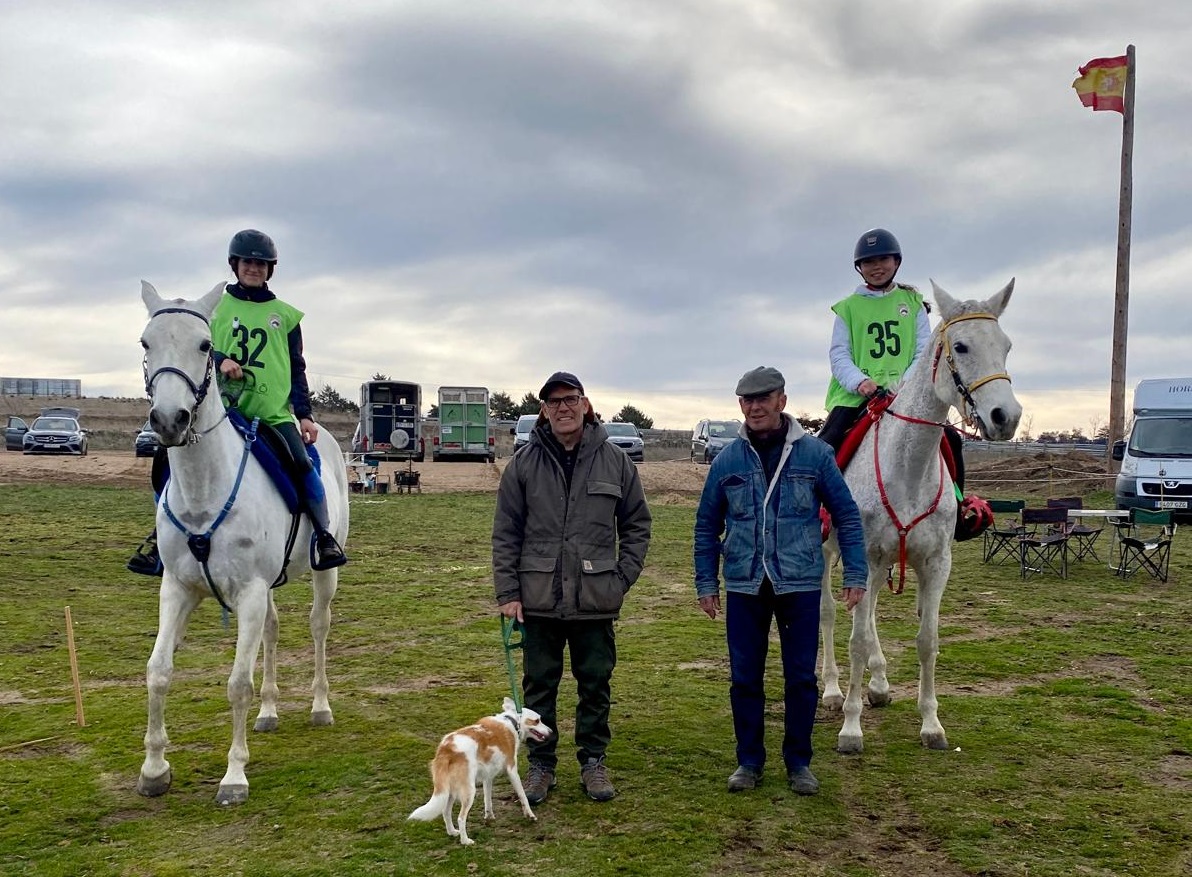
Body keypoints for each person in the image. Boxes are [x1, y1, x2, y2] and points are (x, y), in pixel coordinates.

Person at [126, 229, 347, 575]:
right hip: (222, 412)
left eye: (261, 264)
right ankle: (158, 539)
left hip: (272, 414)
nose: (254, 269)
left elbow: (296, 366)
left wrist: (304, 414)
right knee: (164, 464)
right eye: (248, 262)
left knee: (303, 465)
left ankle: (322, 536)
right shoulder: (214, 308)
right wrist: (221, 358)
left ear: (269, 269)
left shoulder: (285, 316)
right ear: (235, 265)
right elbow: (191, 349)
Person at [693, 366, 867, 795]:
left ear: (782, 402)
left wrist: (856, 572)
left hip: (801, 583)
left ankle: (798, 762)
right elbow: (705, 525)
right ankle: (749, 761)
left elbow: (846, 515)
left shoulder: (815, 455)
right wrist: (706, 583)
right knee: (745, 677)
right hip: (745, 583)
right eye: (748, 400)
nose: (755, 407)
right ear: (741, 406)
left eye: (764, 398)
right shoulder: (727, 460)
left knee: (800, 679)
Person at [492, 371, 652, 803]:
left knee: (595, 683)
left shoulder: (616, 462)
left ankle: (593, 763)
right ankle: (541, 767)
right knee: (538, 687)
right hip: (538, 599)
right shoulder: (523, 465)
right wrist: (507, 593)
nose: (562, 407)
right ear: (543, 410)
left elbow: (637, 525)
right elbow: (506, 532)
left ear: (585, 404)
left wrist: (620, 581)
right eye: (553, 402)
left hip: (595, 599)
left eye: (570, 399)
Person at [817, 228, 931, 452]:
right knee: (823, 449)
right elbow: (839, 354)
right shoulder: (848, 307)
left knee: (952, 443)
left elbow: (923, 351)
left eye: (883, 259)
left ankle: (955, 488)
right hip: (856, 396)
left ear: (896, 261)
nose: (877, 266)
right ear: (860, 267)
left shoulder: (914, 303)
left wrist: (904, 385)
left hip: (905, 393)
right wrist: (860, 382)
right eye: (869, 262)